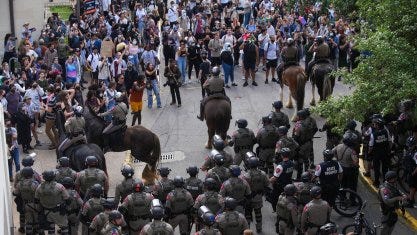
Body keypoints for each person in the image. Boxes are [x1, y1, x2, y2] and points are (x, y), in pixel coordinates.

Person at [35, 170, 70, 235]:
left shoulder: (39, 187)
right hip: (59, 211)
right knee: (64, 227)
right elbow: (67, 199)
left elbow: (36, 200)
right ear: (54, 177)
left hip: (46, 212)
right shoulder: (60, 186)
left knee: (51, 228)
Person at [242, 156, 270, 232]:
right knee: (258, 213)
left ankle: (248, 230)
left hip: (248, 198)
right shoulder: (263, 174)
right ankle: (259, 228)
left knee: (247, 214)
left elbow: (243, 188)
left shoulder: (246, 176)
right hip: (258, 196)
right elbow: (267, 184)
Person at [13, 167, 41, 234]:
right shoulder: (35, 184)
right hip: (35, 204)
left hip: (25, 205)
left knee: (28, 221)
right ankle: (36, 231)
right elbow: (40, 194)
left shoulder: (20, 184)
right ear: (32, 174)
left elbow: (15, 193)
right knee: (36, 220)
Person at [333, 132, 359, 198]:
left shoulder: (339, 146)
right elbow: (355, 162)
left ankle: (342, 198)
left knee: (342, 185)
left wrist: (337, 158)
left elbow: (332, 151)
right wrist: (355, 165)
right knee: (353, 186)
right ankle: (352, 200)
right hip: (350, 170)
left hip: (341, 168)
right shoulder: (351, 151)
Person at [269, 148, 294, 212]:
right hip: (289, 183)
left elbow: (274, 178)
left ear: (282, 155)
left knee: (273, 197)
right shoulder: (292, 163)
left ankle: (276, 210)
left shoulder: (280, 166)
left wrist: (267, 181)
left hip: (280, 186)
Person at [369, 117, 392, 187]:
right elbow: (390, 142)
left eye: (375, 124)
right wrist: (389, 150)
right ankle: (385, 182)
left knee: (376, 168)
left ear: (378, 125)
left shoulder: (373, 134)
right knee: (385, 168)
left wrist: (370, 152)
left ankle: (376, 182)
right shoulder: (386, 131)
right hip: (385, 152)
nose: (374, 125)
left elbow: (371, 146)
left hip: (376, 154)